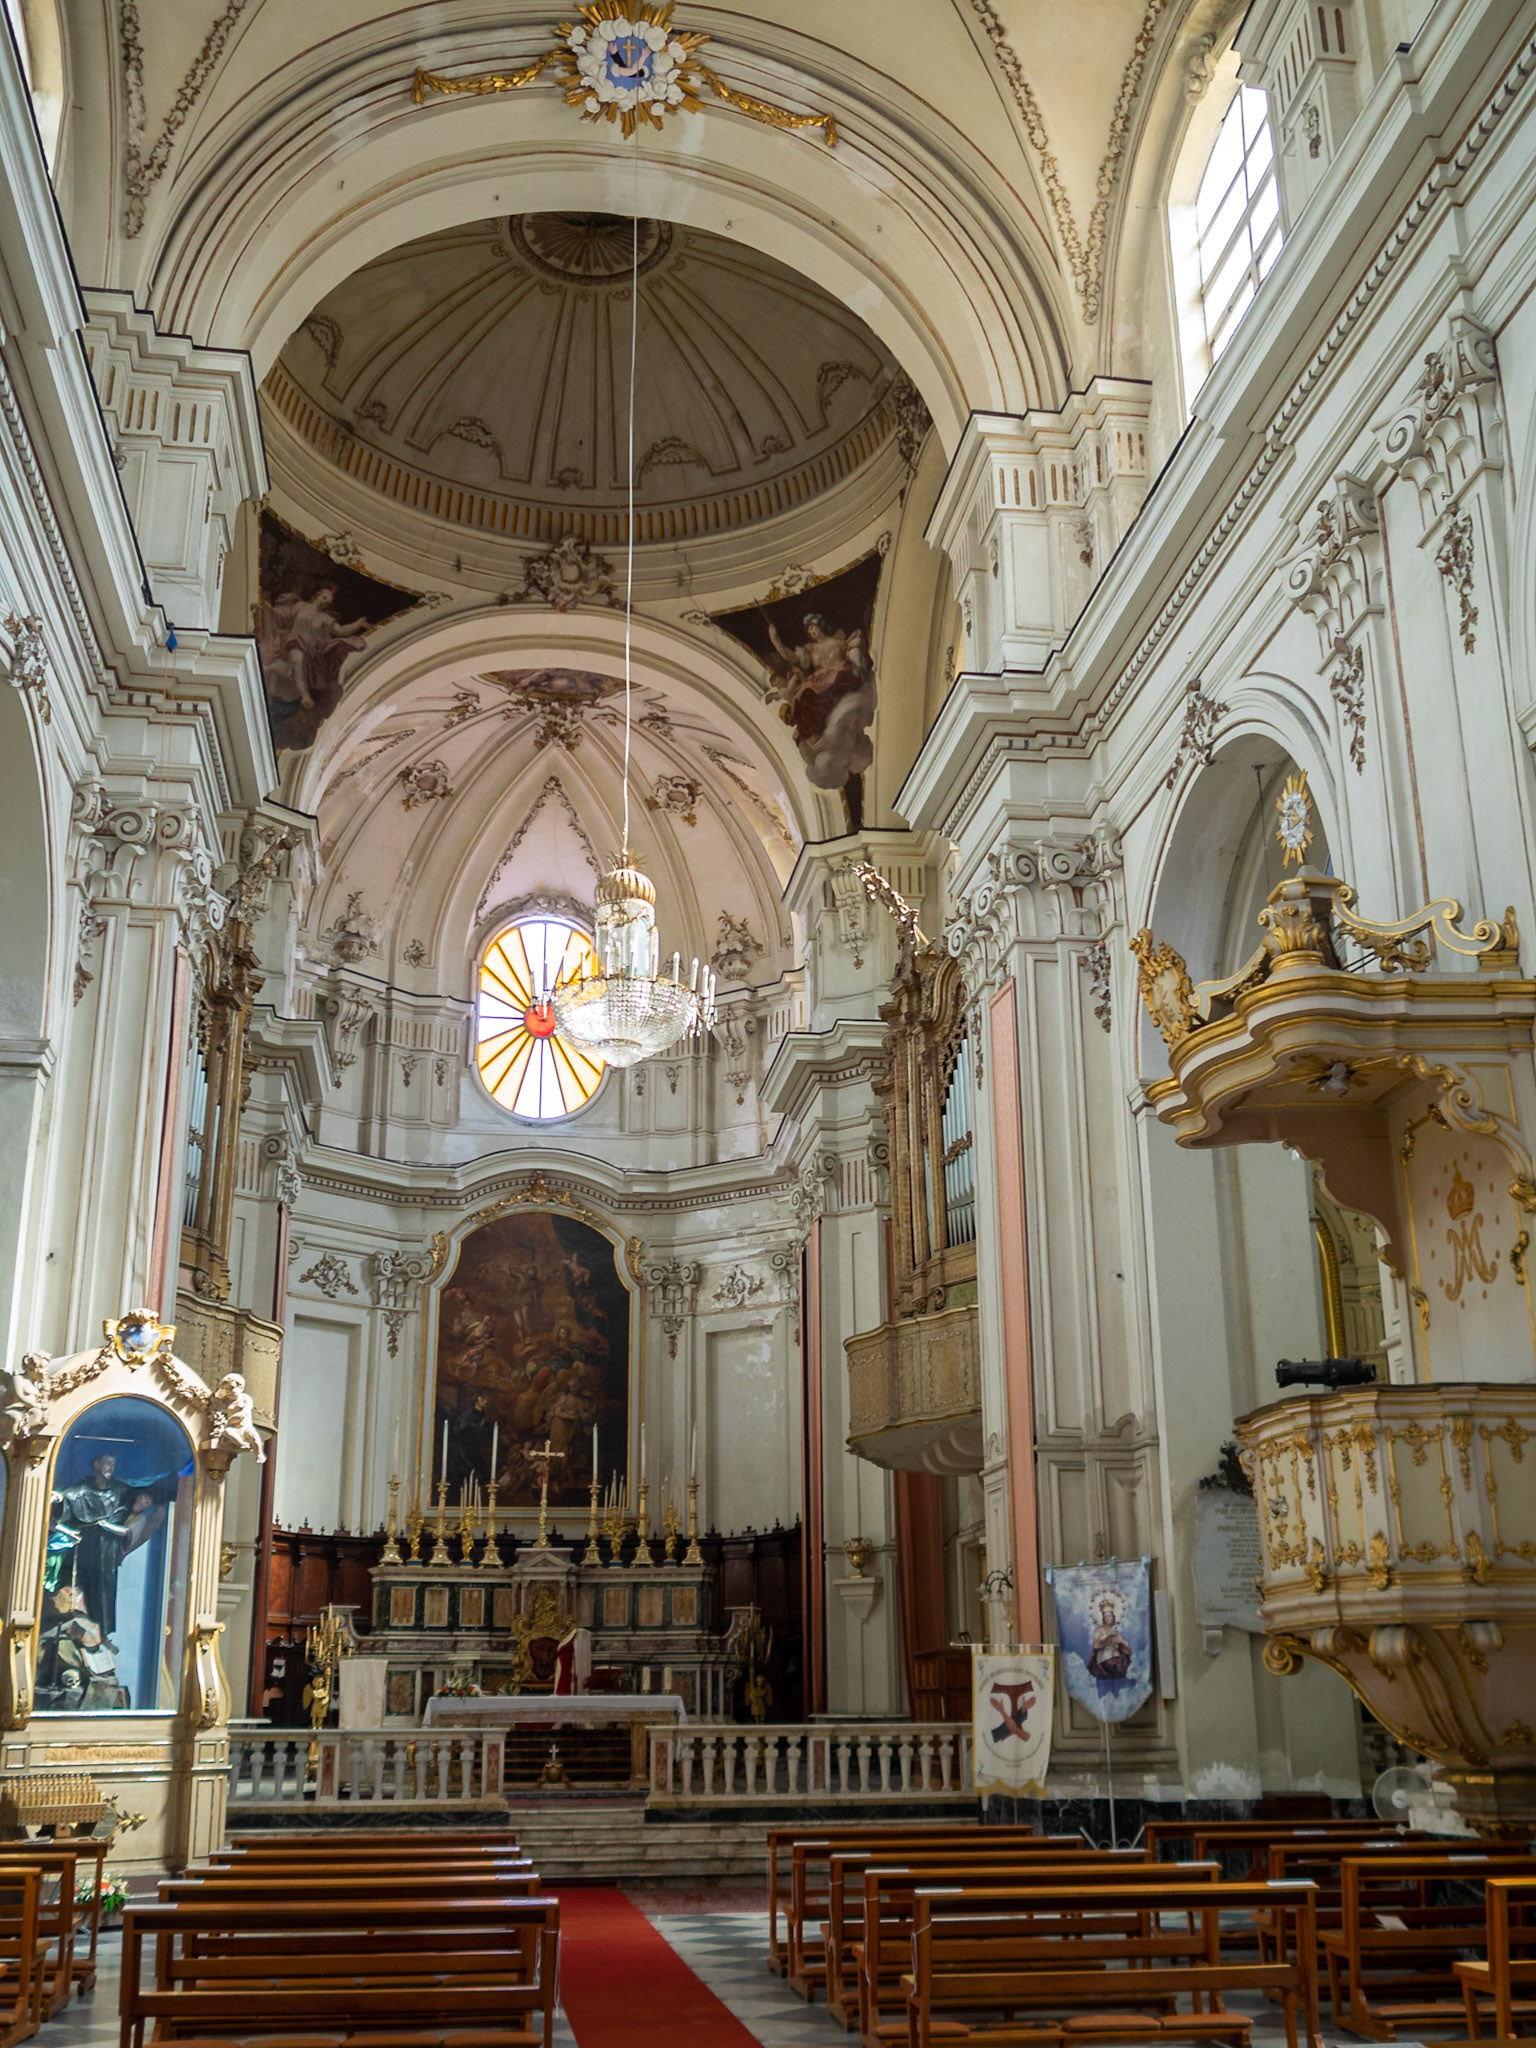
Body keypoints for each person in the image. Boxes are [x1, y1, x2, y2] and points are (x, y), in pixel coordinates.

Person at [47, 1451, 181, 1642]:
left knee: (103, 1594)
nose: (110, 1468)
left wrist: (166, 1487)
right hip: (83, 1549)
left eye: (113, 1464)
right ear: (96, 1464)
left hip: (107, 1554)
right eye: (107, 1463)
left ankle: (101, 1637)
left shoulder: (119, 1491)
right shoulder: (84, 1489)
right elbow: (70, 1496)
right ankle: (68, 1633)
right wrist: (58, 1497)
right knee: (72, 1590)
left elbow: (138, 1495)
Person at [1086, 1594, 1133, 1682]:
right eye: (1105, 1617)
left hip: (1117, 1660)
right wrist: (1106, 1638)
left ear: (1113, 1617)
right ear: (1103, 1618)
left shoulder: (1116, 1633)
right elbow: (1096, 1645)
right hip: (1105, 1660)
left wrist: (1121, 1642)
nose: (1107, 1618)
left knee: (1122, 1662)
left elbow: (1127, 1650)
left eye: (1109, 1616)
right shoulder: (1099, 1630)